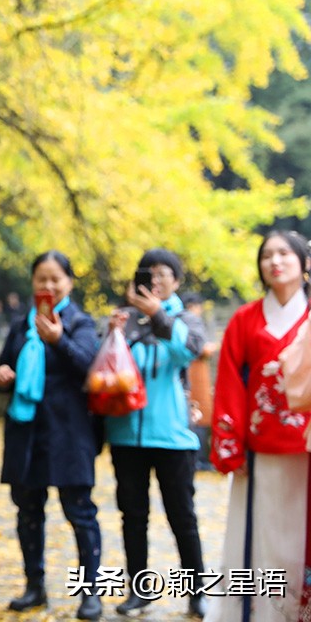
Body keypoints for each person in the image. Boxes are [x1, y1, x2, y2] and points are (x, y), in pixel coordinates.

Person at [0, 250, 102, 621]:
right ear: (33, 283)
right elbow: (6, 364)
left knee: (80, 512)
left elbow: (91, 369)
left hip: (70, 432)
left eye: (56, 279)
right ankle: (34, 586)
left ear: (70, 282)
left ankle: (91, 593)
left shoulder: (80, 322)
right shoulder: (23, 324)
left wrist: (59, 341)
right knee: (28, 513)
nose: (49, 286)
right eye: (42, 279)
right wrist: (4, 377)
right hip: (27, 430)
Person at [206, 230, 311, 622]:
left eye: (285, 253)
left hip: (307, 445)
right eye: (267, 255)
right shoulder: (244, 319)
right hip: (259, 447)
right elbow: (230, 382)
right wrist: (230, 443)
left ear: (304, 263)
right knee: (260, 536)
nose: (275, 261)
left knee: (303, 537)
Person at [104, 249, 208, 618]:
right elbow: (104, 371)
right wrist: (112, 334)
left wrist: (155, 314)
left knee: (182, 515)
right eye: (149, 274)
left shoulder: (185, 319)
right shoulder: (124, 319)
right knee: (133, 515)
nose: (157, 281)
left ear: (177, 281)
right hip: (126, 434)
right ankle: (139, 590)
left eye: (164, 274)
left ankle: (197, 592)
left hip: (173, 436)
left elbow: (188, 350)